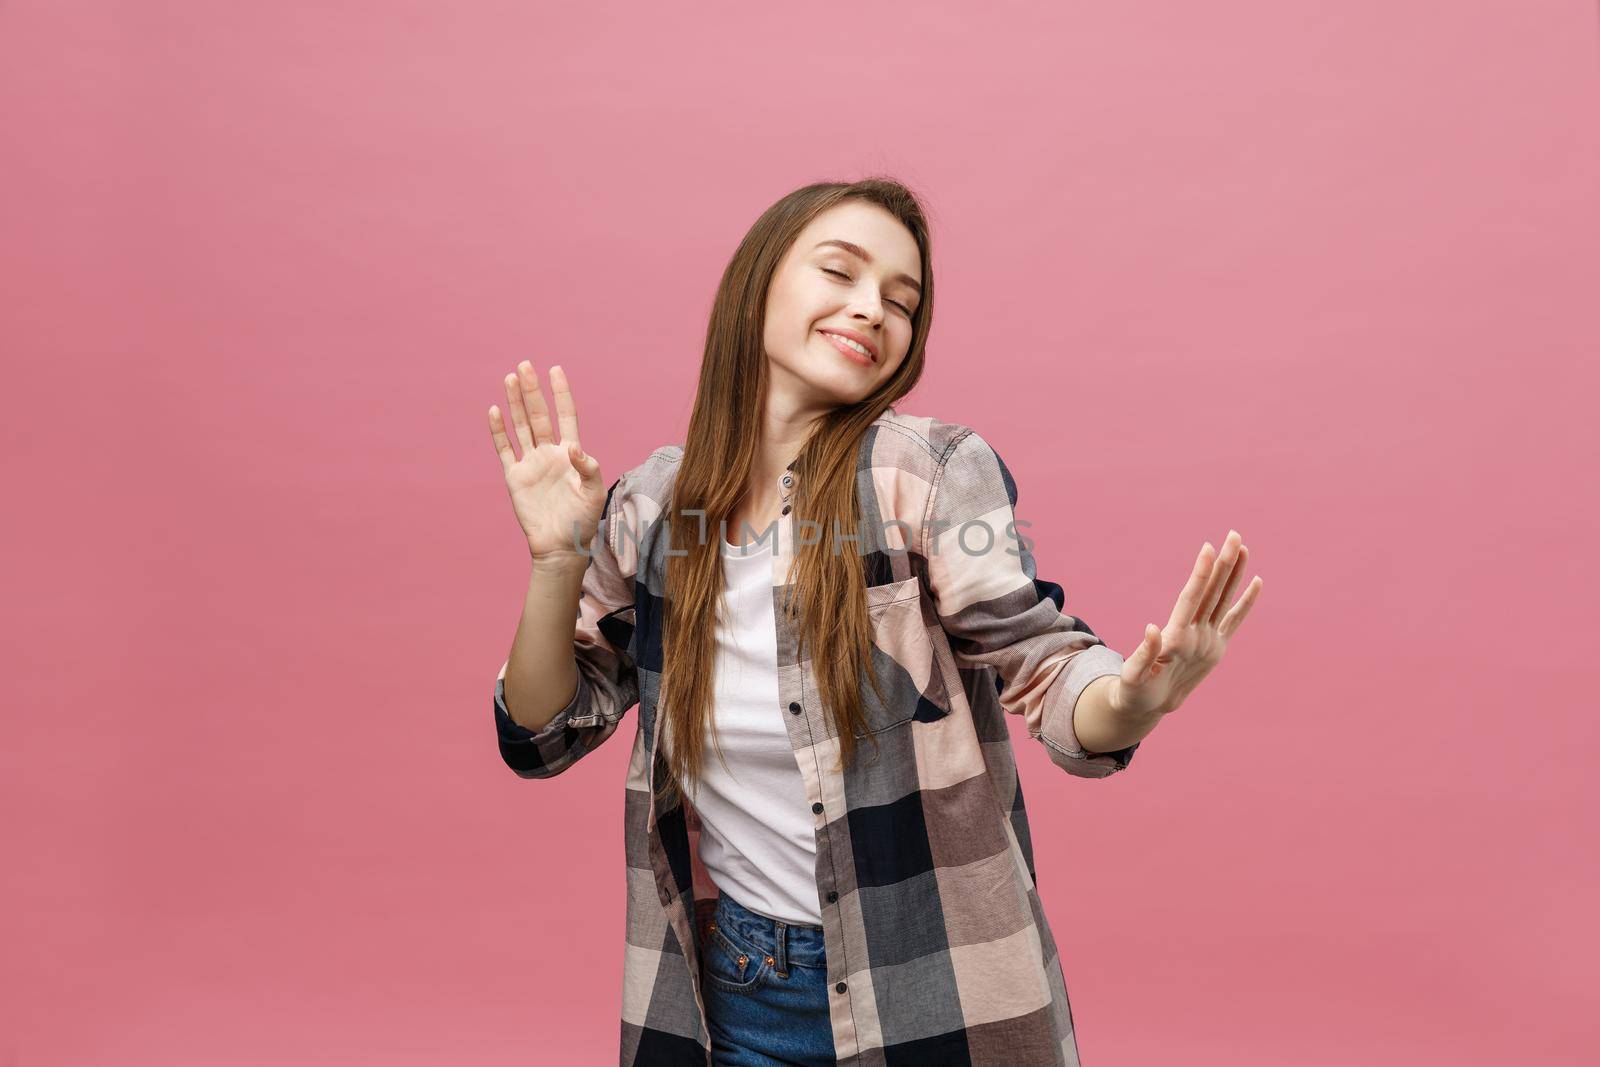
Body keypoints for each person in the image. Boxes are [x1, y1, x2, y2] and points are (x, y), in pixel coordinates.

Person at [485, 177, 1263, 1067]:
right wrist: (558, 561)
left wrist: (1130, 698)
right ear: (759, 282)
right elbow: (541, 733)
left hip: (931, 987)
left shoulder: (925, 476)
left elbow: (1045, 663)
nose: (872, 310)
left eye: (902, 301)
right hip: (725, 1001)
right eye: (841, 272)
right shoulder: (655, 507)